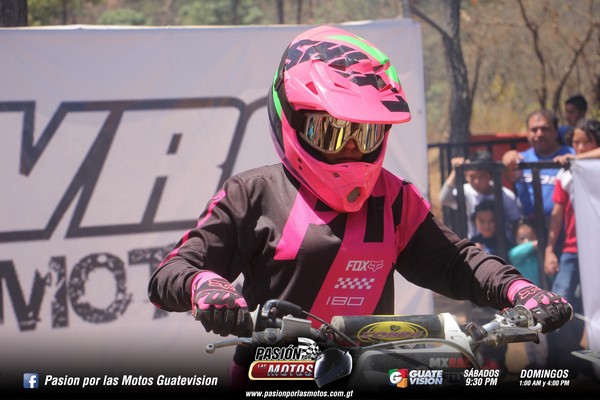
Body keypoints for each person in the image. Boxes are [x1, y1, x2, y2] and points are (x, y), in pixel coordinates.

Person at [147, 26, 572, 389]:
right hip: (275, 376)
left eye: (365, 134)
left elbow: (458, 262)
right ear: (291, 118)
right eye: (331, 132)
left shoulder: (394, 196)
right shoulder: (253, 192)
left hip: (371, 373)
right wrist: (205, 285)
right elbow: (170, 273)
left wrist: (522, 291)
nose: (351, 149)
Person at [544, 119, 600, 374]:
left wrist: (578, 159)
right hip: (572, 249)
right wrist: (549, 249)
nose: (578, 147)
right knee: (559, 299)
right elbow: (557, 214)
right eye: (575, 142)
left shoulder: (585, 164)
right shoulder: (566, 172)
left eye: (585, 142)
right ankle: (569, 358)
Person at [501, 109, 574, 226]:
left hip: (566, 229)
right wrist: (507, 159)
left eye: (545, 129)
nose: (539, 134)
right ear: (527, 133)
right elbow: (511, 177)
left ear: (556, 131)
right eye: (534, 130)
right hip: (531, 230)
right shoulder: (520, 159)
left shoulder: (572, 156)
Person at [439, 150, 522, 239]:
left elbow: (516, 221)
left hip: (502, 243)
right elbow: (444, 198)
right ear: (466, 176)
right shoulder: (465, 191)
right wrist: (455, 171)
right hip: (475, 243)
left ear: (490, 175)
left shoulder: (506, 195)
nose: (477, 181)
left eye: (482, 176)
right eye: (472, 176)